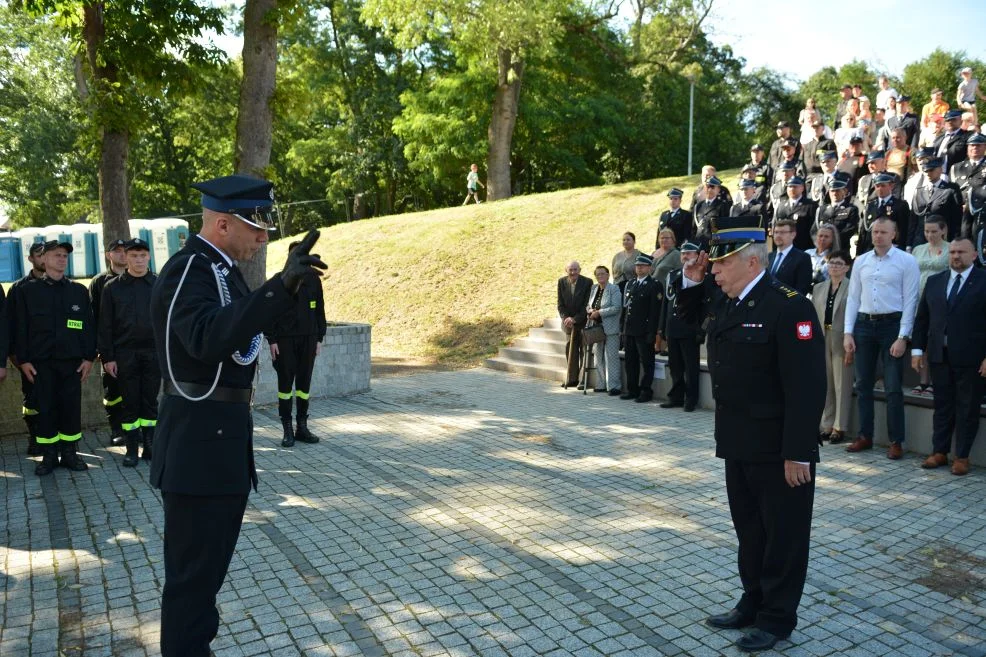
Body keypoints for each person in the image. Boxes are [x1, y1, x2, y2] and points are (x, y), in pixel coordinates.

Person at [150, 174, 326, 657]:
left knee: (204, 585)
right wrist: (277, 288)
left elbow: (244, 327)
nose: (264, 237)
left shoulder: (223, 271)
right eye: (256, 226)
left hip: (221, 447)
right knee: (191, 587)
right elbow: (207, 338)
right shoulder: (190, 269)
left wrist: (288, 289)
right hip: (196, 451)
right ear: (223, 223)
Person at [675, 215, 824, 653]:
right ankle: (753, 601)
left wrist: (799, 451)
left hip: (780, 449)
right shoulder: (730, 300)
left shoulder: (790, 305)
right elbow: (686, 314)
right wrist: (692, 275)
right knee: (750, 532)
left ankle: (777, 619)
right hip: (738, 442)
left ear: (751, 262)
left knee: (783, 535)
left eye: (720, 263)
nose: (713, 270)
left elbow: (807, 387)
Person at [14, 240, 96, 475]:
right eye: (57, 255)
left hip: (71, 363)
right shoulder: (27, 291)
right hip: (41, 364)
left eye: (64, 256)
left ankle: (70, 453)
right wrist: (24, 360)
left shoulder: (77, 291)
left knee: (71, 408)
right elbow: (21, 329)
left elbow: (88, 327)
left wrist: (89, 358)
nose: (62, 259)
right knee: (46, 408)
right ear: (45, 259)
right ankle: (49, 455)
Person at [843, 217, 920, 459]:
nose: (878, 236)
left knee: (893, 386)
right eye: (875, 231)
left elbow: (911, 300)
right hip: (865, 324)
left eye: (883, 232)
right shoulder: (861, 261)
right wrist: (848, 331)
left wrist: (903, 336)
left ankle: (896, 440)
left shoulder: (906, 261)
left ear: (894, 234)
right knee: (863, 384)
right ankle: (865, 435)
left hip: (892, 325)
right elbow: (853, 297)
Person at [912, 237, 986, 476]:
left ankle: (962, 456)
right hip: (938, 356)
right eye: (952, 252)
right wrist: (916, 350)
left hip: (972, 358)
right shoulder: (935, 281)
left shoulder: (983, 281)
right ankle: (939, 451)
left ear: (974, 255)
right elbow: (922, 319)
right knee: (942, 406)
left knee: (967, 408)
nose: (956, 256)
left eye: (961, 252)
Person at [97, 238, 160, 467]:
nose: (138, 260)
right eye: (133, 255)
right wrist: (108, 357)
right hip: (125, 355)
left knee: (150, 401)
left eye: (143, 255)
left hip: (153, 353)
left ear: (149, 257)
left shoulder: (158, 284)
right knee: (130, 402)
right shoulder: (112, 287)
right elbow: (105, 326)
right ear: (126, 258)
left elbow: (167, 321)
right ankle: (132, 448)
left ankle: (151, 445)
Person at [266, 239, 327, 446]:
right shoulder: (279, 280)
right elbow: (270, 313)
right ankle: (287, 429)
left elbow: (319, 310)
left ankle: (302, 427)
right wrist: (272, 340)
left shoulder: (314, 280)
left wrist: (319, 338)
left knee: (303, 386)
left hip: (308, 339)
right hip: (284, 341)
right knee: (285, 387)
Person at [7, 242, 46, 456]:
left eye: (45, 254)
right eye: (38, 255)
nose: (43, 258)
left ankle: (56, 440)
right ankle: (35, 437)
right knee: (31, 402)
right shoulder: (18, 289)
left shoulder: (61, 286)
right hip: (29, 359)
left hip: (55, 358)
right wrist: (18, 359)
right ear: (30, 259)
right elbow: (11, 327)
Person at [89, 238, 129, 446]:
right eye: (117, 251)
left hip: (133, 347)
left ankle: (135, 430)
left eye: (125, 250)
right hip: (110, 348)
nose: (122, 254)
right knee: (112, 392)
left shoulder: (137, 278)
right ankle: (116, 428)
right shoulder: (99, 281)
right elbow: (93, 317)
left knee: (135, 390)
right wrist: (98, 348)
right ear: (108, 255)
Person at [812, 250, 854, 444]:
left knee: (842, 384)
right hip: (822, 336)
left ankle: (839, 427)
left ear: (847, 267)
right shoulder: (819, 287)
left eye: (839, 263)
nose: (835, 266)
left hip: (842, 339)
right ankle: (826, 424)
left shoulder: (853, 287)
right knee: (825, 384)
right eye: (832, 263)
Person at [910, 216, 951, 395]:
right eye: (927, 231)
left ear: (943, 230)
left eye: (934, 231)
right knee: (922, 338)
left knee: (935, 338)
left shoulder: (951, 249)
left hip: (940, 299)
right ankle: (923, 381)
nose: (930, 235)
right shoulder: (918, 249)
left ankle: (935, 381)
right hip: (919, 297)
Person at [659, 242, 702, 412]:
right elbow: (666, 303)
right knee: (675, 365)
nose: (685, 256)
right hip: (673, 327)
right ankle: (676, 396)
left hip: (690, 327)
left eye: (689, 253)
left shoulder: (701, 275)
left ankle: (691, 399)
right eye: (683, 254)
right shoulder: (673, 274)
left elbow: (704, 305)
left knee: (691, 366)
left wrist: (701, 330)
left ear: (697, 255)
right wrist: (662, 328)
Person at [621, 253, 663, 403]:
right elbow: (626, 308)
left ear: (649, 268)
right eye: (637, 265)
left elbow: (654, 311)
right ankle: (633, 389)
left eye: (643, 266)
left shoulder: (654, 285)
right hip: (630, 329)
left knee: (647, 362)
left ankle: (646, 390)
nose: (639, 268)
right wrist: (623, 328)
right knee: (630, 361)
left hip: (644, 330)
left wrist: (652, 331)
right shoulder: (631, 283)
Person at [908, 158, 963, 246]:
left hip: (942, 239)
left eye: (931, 170)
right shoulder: (919, 191)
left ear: (940, 170)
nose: (928, 173)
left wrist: (954, 241)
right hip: (920, 240)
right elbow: (913, 221)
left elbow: (957, 219)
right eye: (926, 171)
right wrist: (909, 244)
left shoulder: (950, 189)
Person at [585, 265, 622, 395]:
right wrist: (590, 310)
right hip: (596, 328)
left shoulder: (614, 289)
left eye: (603, 273)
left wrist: (599, 312)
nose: (600, 276)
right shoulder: (594, 289)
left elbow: (616, 307)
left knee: (611, 357)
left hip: (610, 328)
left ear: (608, 275)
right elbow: (589, 305)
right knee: (598, 357)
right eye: (598, 274)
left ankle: (614, 386)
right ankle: (601, 384)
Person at [557, 261, 592, 388]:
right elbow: (560, 304)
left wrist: (575, 319)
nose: (573, 272)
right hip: (568, 324)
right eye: (570, 270)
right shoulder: (561, 282)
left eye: (575, 269)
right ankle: (571, 379)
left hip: (581, 322)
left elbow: (586, 304)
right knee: (570, 350)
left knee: (582, 350)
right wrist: (566, 318)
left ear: (580, 270)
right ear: (566, 270)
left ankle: (582, 380)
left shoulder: (587, 282)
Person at [857, 173, 911, 255]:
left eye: (883, 186)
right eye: (877, 186)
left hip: (891, 249)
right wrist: (859, 252)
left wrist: (903, 248)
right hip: (870, 250)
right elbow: (863, 232)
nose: (879, 189)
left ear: (891, 186)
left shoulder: (900, 205)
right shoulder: (870, 205)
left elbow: (904, 230)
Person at [767, 219, 812, 296]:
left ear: (793, 235)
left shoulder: (803, 258)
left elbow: (802, 289)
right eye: (776, 232)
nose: (778, 235)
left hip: (788, 304)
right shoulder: (769, 256)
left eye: (782, 233)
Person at [772, 177, 818, 251]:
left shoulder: (810, 206)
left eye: (795, 186)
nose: (792, 189)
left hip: (803, 248)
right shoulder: (781, 206)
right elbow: (775, 228)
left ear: (802, 188)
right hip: (783, 248)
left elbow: (813, 230)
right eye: (790, 186)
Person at [818, 178, 860, 254]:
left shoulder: (851, 209)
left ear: (845, 191)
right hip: (822, 249)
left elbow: (850, 229)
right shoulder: (822, 209)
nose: (834, 193)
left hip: (841, 249)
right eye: (832, 191)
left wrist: (833, 240)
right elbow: (814, 230)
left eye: (837, 190)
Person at [693, 175, 731, 248]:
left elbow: (724, 228)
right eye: (708, 186)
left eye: (712, 187)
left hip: (713, 244)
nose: (709, 189)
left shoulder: (723, 205)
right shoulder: (698, 206)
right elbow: (693, 229)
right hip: (698, 244)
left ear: (718, 190)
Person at [935, 109, 970, 173]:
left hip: (957, 174)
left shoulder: (967, 136)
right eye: (947, 120)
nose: (950, 122)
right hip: (938, 175)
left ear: (961, 121)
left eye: (953, 119)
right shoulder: (938, 137)